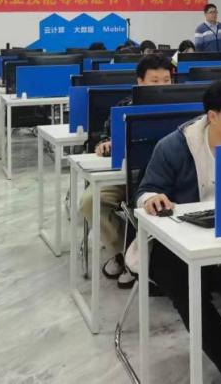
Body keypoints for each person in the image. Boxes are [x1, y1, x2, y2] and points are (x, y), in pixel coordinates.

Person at [137, 80, 221, 383]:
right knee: (189, 294)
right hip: (175, 248)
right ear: (212, 116)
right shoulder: (175, 146)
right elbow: (145, 191)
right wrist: (151, 199)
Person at [82, 53, 173, 287]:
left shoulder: (183, 106)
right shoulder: (125, 107)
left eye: (166, 80)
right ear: (140, 82)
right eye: (154, 81)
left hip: (168, 179)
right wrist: (105, 144)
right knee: (90, 201)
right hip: (127, 177)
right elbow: (104, 137)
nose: (162, 86)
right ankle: (123, 253)